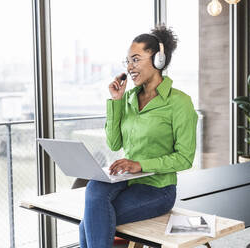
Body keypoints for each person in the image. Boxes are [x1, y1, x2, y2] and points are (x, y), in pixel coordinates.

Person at [79, 26, 198, 248]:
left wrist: (139, 164)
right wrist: (116, 101)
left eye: (135, 59)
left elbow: (184, 158)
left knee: (88, 223)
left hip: (158, 188)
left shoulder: (179, 103)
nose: (129, 67)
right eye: (127, 61)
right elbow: (114, 143)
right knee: (94, 187)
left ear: (158, 60)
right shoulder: (130, 98)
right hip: (127, 181)